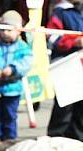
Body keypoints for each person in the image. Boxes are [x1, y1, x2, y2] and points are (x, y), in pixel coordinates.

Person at [0, 10, 32, 142]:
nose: (6, 33)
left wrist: (13, 68)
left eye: (10, 30)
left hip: (12, 90)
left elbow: (26, 62)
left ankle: (10, 138)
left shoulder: (23, 48)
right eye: (3, 29)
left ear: (18, 31)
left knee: (10, 115)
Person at [47, 0, 83, 141]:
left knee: (81, 107)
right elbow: (52, 37)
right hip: (67, 65)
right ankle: (56, 138)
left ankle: (78, 140)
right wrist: (74, 42)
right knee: (64, 106)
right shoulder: (60, 12)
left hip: (81, 65)